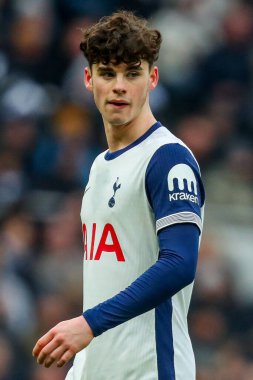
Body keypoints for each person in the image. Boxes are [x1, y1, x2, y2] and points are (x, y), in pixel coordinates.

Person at [32, 10, 205, 380]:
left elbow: (180, 262)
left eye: (132, 73)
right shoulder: (98, 167)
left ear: (153, 78)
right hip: (95, 368)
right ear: (88, 78)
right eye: (108, 73)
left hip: (150, 370)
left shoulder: (168, 159)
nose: (119, 86)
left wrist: (88, 324)